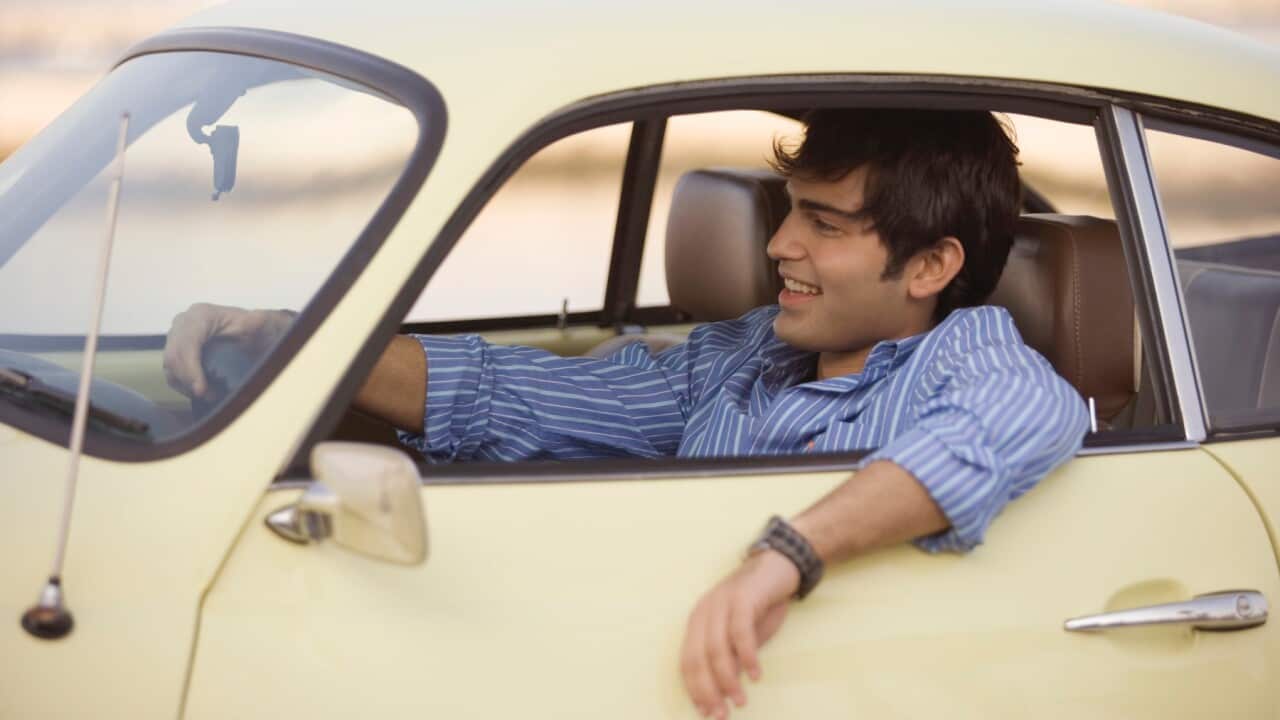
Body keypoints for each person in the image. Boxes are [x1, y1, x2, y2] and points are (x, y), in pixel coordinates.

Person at [164, 108, 1089, 719]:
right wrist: (300, 340)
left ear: (930, 266)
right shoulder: (743, 351)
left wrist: (786, 556)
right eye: (786, 212)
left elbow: (1017, 419)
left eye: (825, 224)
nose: (779, 244)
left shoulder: (970, 358)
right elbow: (510, 393)